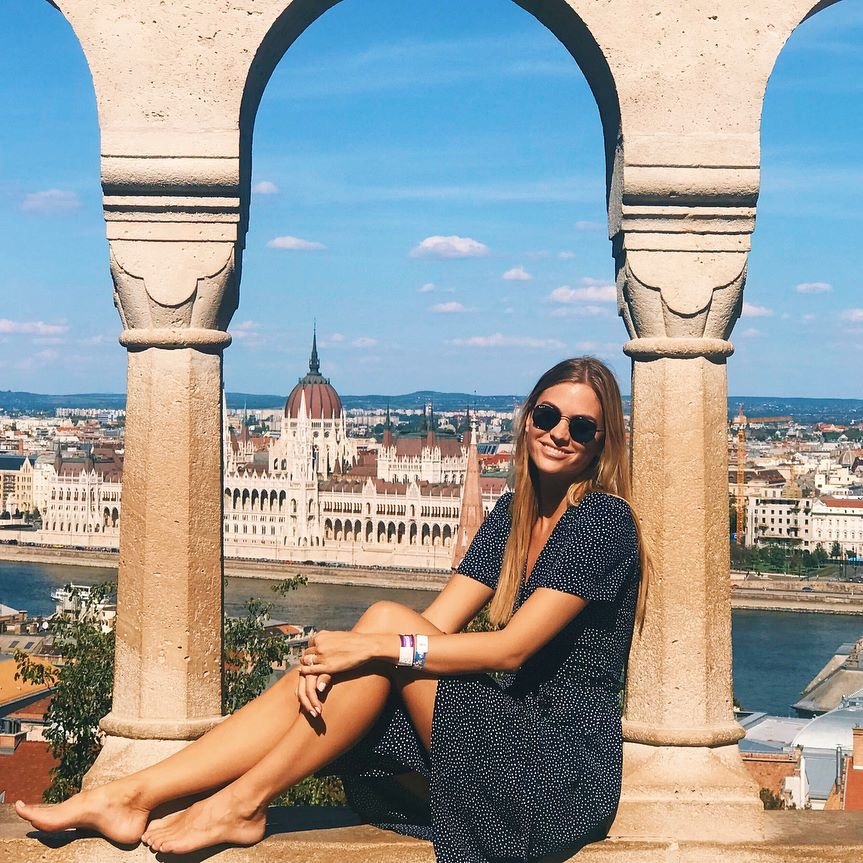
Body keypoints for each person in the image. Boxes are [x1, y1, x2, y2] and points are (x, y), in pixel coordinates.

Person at [15, 356, 649, 862]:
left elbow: (510, 650)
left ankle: (239, 802)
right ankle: (135, 793)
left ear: (602, 444)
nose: (559, 433)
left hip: (554, 772)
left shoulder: (601, 522)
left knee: (379, 626)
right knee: (346, 652)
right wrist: (341, 659)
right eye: (548, 415)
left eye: (581, 427)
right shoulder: (515, 513)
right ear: (528, 417)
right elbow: (438, 623)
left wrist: (370, 645)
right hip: (504, 740)